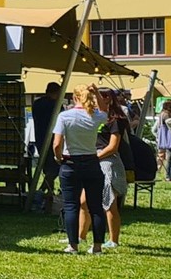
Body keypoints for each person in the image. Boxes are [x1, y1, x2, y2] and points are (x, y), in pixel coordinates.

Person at [52, 83, 106, 254]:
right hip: (92, 162)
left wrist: (58, 157)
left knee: (71, 206)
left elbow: (57, 143)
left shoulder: (65, 116)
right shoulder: (95, 116)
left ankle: (73, 245)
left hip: (71, 163)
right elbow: (105, 111)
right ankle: (97, 246)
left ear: (74, 97)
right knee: (96, 206)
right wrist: (97, 93)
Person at [93, 91, 131, 248]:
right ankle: (79, 237)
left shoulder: (116, 120)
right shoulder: (96, 117)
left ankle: (113, 240)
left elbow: (113, 147)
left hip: (108, 161)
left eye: (99, 97)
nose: (95, 100)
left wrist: (96, 157)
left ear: (109, 99)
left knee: (109, 202)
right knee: (84, 201)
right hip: (94, 159)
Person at [30, 81, 61, 207]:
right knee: (54, 167)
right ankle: (43, 189)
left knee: (47, 167)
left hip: (40, 138)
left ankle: (48, 193)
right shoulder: (55, 105)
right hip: (53, 139)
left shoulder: (37, 103)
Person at [155, 101, 171, 182]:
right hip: (169, 136)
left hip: (167, 136)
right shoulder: (166, 114)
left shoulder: (163, 114)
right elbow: (170, 124)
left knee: (169, 157)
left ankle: (169, 175)